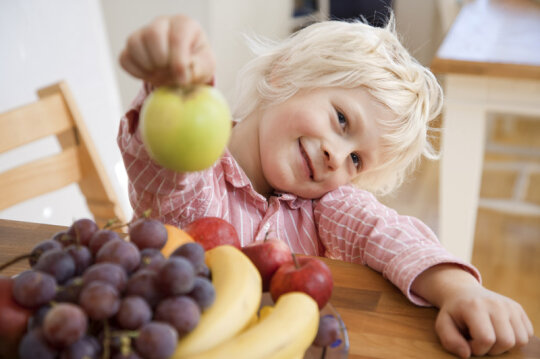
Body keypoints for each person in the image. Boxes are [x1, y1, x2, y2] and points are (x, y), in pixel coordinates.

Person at [117, 14, 534, 358]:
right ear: (285, 76)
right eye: (341, 120)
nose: (338, 156)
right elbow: (168, 172)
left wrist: (459, 289)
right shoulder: (198, 175)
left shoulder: (322, 206)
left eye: (356, 160)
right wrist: (174, 86)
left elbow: (385, 232)